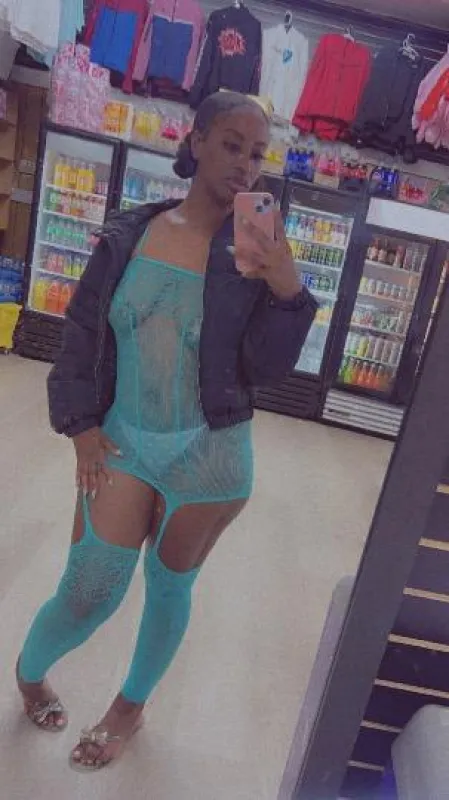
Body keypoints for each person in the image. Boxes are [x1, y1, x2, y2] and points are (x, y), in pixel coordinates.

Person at [16, 91, 317, 771]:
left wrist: (286, 289)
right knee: (89, 590)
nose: (245, 165)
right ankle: (29, 673)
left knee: (170, 586)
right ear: (196, 140)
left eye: (257, 154)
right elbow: (83, 331)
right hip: (122, 440)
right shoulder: (132, 233)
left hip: (211, 455)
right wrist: (80, 425)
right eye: (232, 145)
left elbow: (266, 369)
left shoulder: (255, 248)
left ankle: (130, 706)